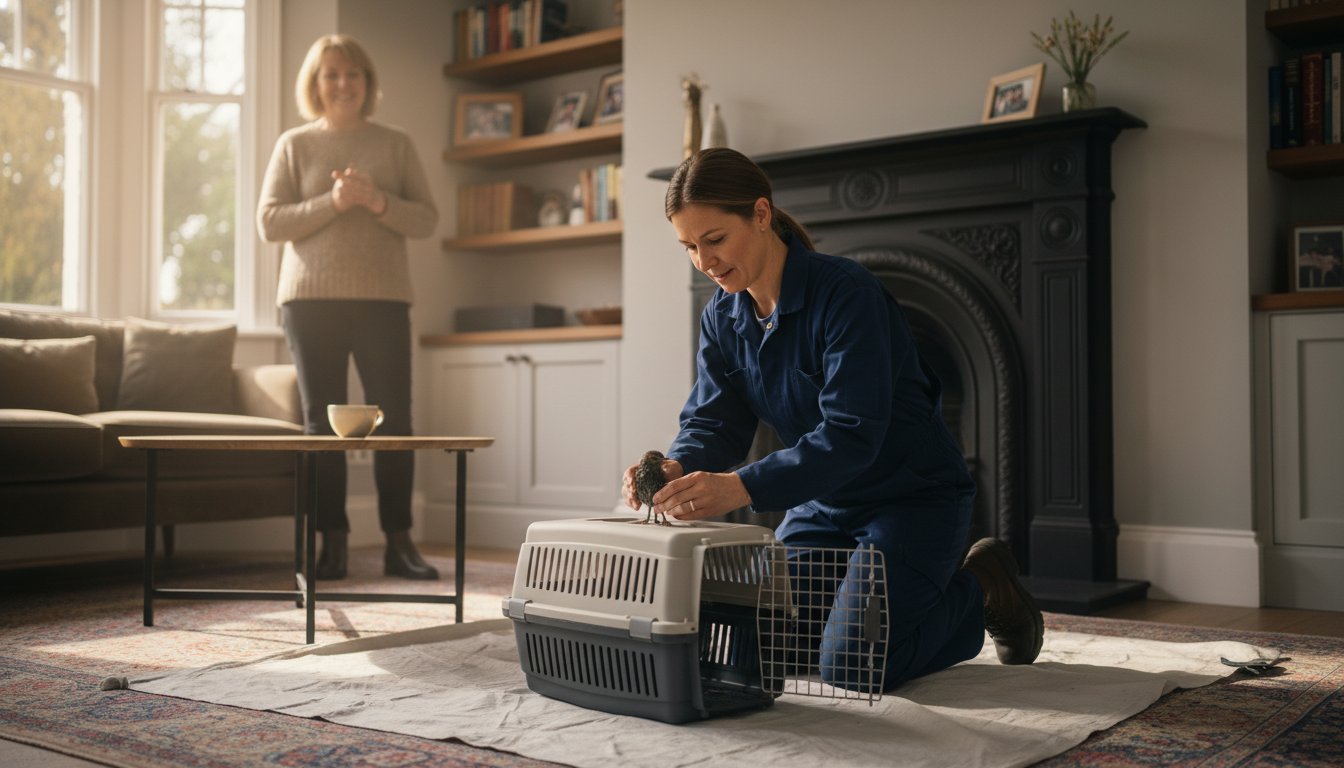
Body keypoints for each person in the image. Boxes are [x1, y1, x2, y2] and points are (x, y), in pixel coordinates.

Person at [621, 147, 1043, 690]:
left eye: (715, 240)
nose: (704, 261)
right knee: (751, 652)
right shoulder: (722, 317)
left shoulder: (848, 295)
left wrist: (740, 487)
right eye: (688, 247)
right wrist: (677, 464)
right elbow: (713, 421)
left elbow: (850, 435)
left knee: (851, 664)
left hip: (911, 499)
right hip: (822, 504)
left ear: (760, 214)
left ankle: (981, 585)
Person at [257, 34, 439, 581]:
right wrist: (334, 202)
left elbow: (427, 219)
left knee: (395, 420)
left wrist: (377, 200)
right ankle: (331, 542)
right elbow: (269, 222)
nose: (343, 84)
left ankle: (398, 543)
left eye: (353, 74)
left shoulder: (396, 143)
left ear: (367, 82)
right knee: (322, 425)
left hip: (383, 299)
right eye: (331, 75)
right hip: (309, 301)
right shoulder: (295, 144)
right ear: (315, 84)